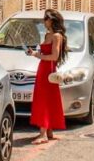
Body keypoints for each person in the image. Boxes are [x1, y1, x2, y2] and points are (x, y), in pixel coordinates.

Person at [26, 10, 68, 144]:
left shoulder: (56, 36)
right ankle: (48, 131)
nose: (44, 21)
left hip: (48, 70)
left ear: (52, 20)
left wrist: (38, 56)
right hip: (43, 69)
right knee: (45, 99)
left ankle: (43, 134)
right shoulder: (47, 34)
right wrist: (33, 53)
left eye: (46, 18)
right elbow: (44, 51)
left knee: (45, 99)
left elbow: (54, 56)